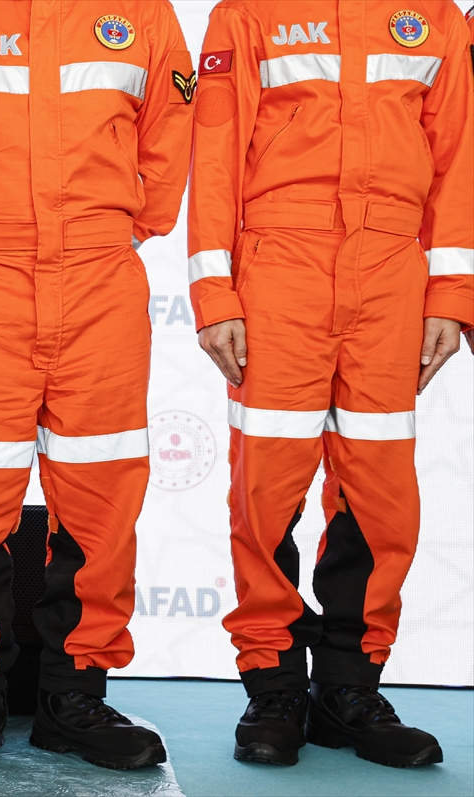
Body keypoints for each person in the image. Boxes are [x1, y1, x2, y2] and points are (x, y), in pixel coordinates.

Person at [0, 0, 194, 770]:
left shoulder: (143, 15)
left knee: (101, 495)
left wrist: (120, 230)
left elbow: (171, 135)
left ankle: (74, 695)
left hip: (100, 278)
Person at [189, 0, 472, 768]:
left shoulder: (434, 18)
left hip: (391, 275)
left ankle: (350, 689)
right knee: (266, 490)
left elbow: (456, 158)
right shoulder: (247, 14)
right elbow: (214, 156)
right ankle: (274, 685)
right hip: (282, 263)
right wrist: (215, 292)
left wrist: (450, 294)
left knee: (381, 489)